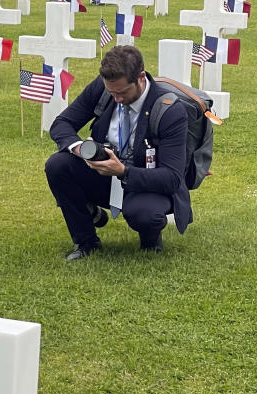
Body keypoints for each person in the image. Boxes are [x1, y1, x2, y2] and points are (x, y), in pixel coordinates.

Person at [45, 45, 191, 260]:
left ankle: (150, 239)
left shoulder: (169, 109)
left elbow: (171, 178)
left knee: (145, 214)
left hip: (147, 182)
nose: (117, 99)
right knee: (57, 165)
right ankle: (86, 242)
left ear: (141, 77)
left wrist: (123, 171)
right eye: (112, 92)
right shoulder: (105, 89)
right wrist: (78, 148)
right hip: (105, 174)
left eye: (122, 93)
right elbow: (61, 124)